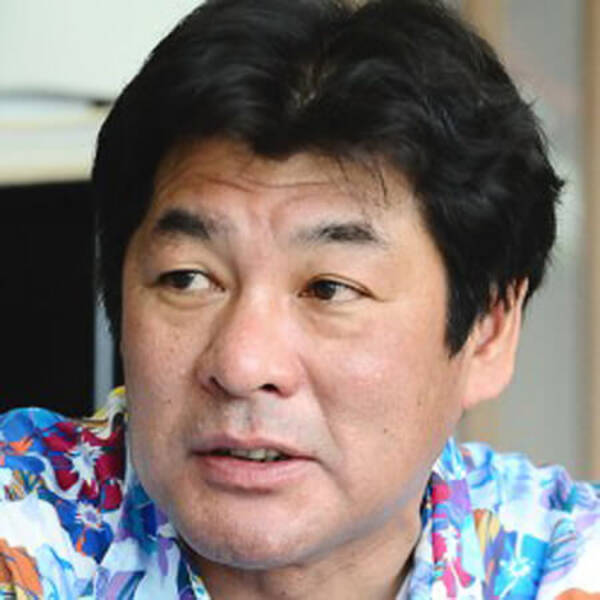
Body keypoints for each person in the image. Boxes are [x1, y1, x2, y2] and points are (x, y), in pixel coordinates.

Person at [0, 0, 598, 598]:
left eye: (329, 289)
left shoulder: (566, 565)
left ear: (487, 332)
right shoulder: (25, 526)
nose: (242, 365)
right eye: (188, 279)